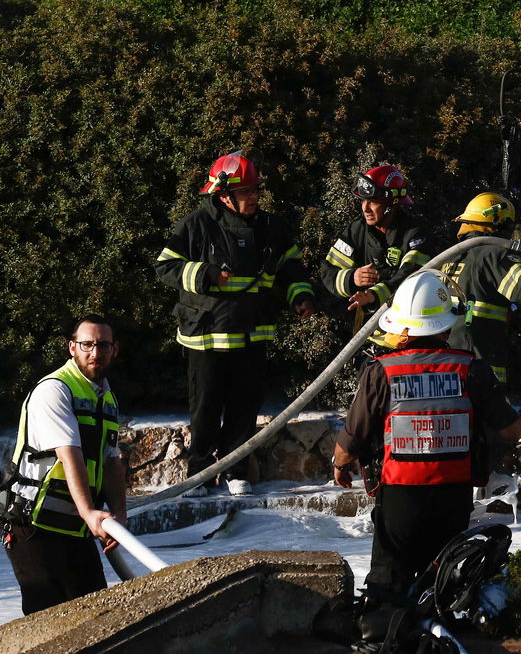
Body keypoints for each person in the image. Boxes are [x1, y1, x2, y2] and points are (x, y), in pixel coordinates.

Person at [332, 269, 521, 599]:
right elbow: (511, 429)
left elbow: (350, 445)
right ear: (445, 327)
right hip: (454, 495)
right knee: (447, 583)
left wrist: (339, 464)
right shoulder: (471, 369)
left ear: (401, 327)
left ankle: (388, 637)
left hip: (398, 499)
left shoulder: (381, 372)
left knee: (388, 588)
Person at [154, 151, 318, 496]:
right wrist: (207, 274)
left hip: (252, 333)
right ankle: (199, 473)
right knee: (206, 408)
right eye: (246, 191)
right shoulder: (196, 225)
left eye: (256, 190)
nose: (255, 196)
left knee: (245, 407)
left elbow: (292, 267)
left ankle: (235, 470)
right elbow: (165, 267)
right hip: (206, 336)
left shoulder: (272, 227)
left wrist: (300, 296)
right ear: (223, 194)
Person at [4, 315, 126, 614]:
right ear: (72, 347)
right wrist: (88, 512)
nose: (95, 353)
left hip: (75, 525)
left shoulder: (106, 397)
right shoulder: (55, 390)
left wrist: (120, 516)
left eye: (103, 345)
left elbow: (111, 462)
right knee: (46, 617)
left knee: (95, 614)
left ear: (115, 349)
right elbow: (68, 454)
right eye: (87, 344)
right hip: (33, 524)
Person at [438, 192, 521, 382]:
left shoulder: (452, 258)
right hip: (480, 363)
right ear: (499, 223)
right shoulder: (490, 255)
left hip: (451, 359)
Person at [320, 165, 435, 350]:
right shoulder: (356, 230)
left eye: (373, 202)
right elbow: (327, 271)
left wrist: (374, 295)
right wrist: (352, 277)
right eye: (363, 201)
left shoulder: (415, 234)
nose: (365, 208)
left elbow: (410, 277)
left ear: (392, 204)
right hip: (367, 340)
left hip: (408, 339)